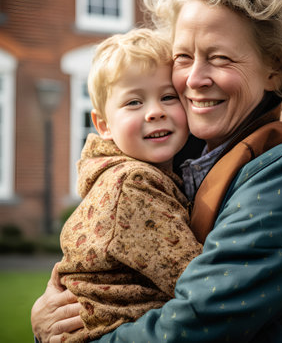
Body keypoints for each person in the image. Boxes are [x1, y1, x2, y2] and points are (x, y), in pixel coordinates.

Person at [32, 0, 282, 342]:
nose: (194, 79)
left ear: (275, 68)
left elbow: (195, 323)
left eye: (219, 58)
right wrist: (54, 310)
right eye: (183, 57)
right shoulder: (172, 161)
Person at [54, 28, 202, 342]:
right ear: (103, 125)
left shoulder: (128, 174)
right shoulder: (133, 184)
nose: (155, 111)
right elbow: (195, 279)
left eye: (167, 96)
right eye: (134, 102)